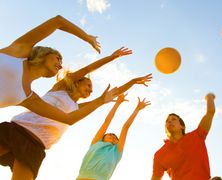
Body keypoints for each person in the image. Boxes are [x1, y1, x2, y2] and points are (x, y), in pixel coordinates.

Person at [0, 46, 152, 180]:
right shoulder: (59, 88)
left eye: (92, 89)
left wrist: (132, 82)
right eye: (88, 85)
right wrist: (112, 57)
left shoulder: (77, 108)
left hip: (37, 146)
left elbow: (113, 93)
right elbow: (87, 69)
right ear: (77, 81)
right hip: (17, 130)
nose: (90, 90)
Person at [0, 15, 104, 122]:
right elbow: (58, 21)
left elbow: (68, 119)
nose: (60, 65)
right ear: (45, 53)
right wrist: (87, 38)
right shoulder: (20, 50)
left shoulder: (28, 97)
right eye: (58, 58)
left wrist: (102, 100)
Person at [77, 94, 150, 180]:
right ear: (103, 137)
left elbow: (125, 127)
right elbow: (107, 121)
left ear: (117, 142)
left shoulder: (117, 150)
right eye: (110, 134)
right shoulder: (96, 142)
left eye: (115, 138)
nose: (113, 136)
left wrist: (137, 109)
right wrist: (117, 103)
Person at [151, 93, 216, 180]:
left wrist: (209, 97)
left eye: (173, 119)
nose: (170, 122)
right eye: (167, 121)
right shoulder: (159, 155)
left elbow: (210, 112)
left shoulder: (197, 136)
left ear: (182, 126)